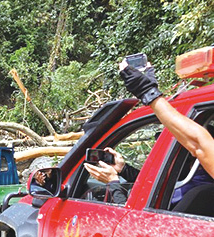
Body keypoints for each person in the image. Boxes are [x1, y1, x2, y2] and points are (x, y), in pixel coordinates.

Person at [85, 57, 214, 206]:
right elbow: (158, 190)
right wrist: (124, 170)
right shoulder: (198, 184)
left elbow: (132, 220)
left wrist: (113, 183)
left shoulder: (195, 193)